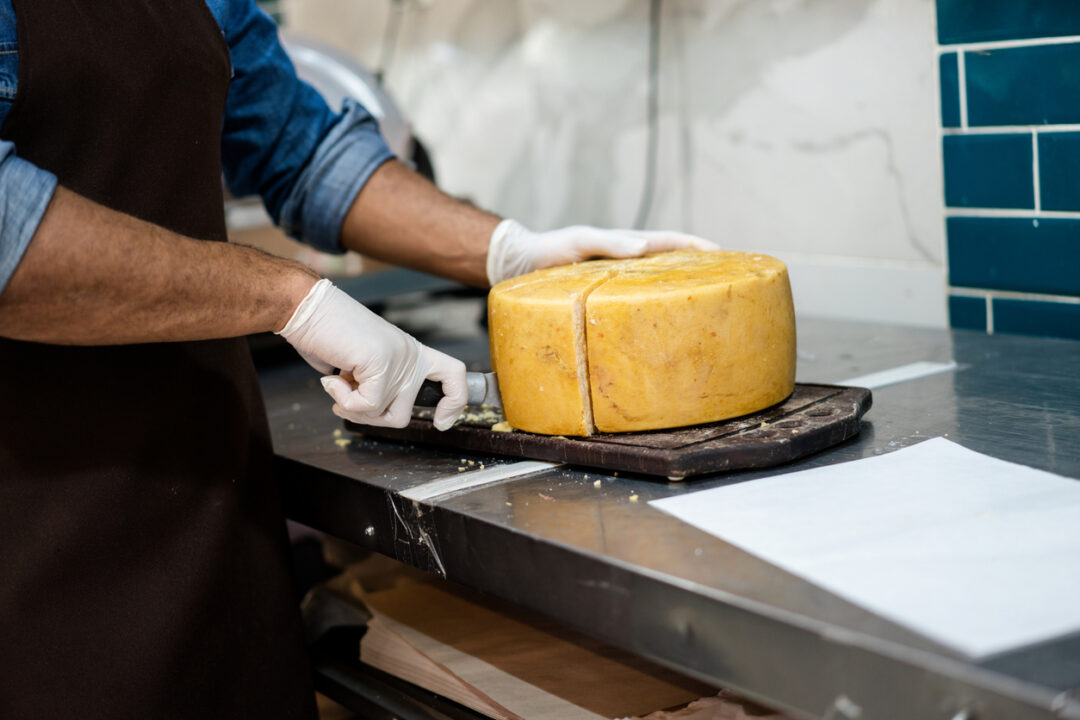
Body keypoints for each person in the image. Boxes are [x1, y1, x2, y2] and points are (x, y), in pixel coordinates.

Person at [0, 1, 714, 717]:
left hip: (203, 493)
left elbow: (299, 147)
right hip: (33, 516)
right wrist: (290, 299)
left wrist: (506, 249)